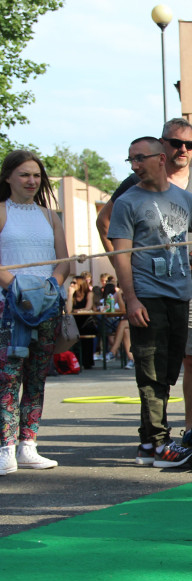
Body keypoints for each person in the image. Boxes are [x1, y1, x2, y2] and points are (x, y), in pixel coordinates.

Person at [97, 118, 192, 450]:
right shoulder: (131, 193)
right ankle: (156, 440)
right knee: (150, 365)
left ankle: (186, 430)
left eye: (190, 145)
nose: (183, 150)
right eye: (176, 143)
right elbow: (113, 237)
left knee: (179, 362)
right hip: (147, 290)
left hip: (187, 289)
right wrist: (129, 292)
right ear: (163, 148)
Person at [0, 149, 69, 474]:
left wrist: (51, 287)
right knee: (8, 377)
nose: (31, 181)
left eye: (36, 176)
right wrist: (18, 288)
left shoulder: (49, 215)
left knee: (37, 377)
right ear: (8, 177)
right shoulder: (1, 211)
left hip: (47, 304)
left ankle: (29, 444)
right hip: (10, 307)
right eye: (24, 174)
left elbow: (64, 260)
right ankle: (6, 447)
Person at [67, 274, 97, 368]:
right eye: (71, 282)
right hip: (74, 322)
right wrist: (70, 295)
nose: (72, 284)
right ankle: (75, 361)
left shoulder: (89, 294)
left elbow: (88, 308)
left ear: (80, 284)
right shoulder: (73, 295)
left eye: (74, 283)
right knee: (70, 334)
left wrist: (77, 310)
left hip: (86, 321)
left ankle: (87, 362)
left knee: (87, 332)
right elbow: (68, 310)